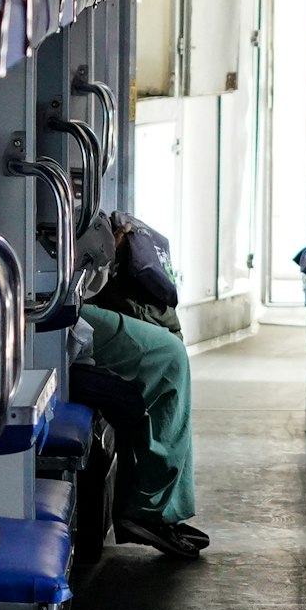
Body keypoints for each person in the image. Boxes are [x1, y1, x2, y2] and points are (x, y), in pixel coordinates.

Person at [67, 211, 206, 557]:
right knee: (168, 356)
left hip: (68, 300)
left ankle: (155, 505)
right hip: (58, 312)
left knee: (165, 340)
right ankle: (149, 509)